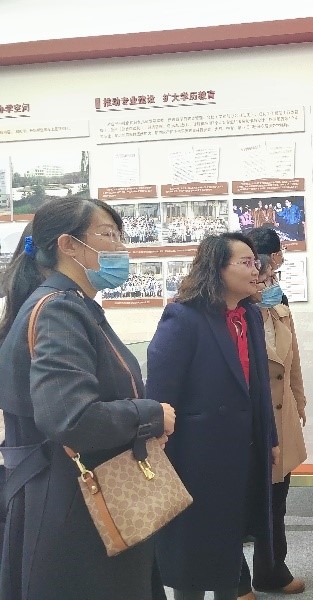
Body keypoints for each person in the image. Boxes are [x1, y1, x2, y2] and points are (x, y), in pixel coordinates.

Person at [0, 197, 174, 600]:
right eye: (108, 234)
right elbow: (71, 416)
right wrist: (150, 415)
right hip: (72, 504)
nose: (120, 247)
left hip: (80, 495)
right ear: (69, 245)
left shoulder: (71, 305)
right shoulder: (59, 310)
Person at [147, 233, 278, 600]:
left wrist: (269, 439)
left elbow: (259, 387)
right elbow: (161, 392)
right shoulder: (183, 316)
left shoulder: (249, 316)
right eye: (246, 263)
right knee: (192, 554)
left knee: (229, 544)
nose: (256, 270)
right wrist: (159, 451)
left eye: (256, 262)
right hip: (195, 456)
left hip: (242, 450)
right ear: (217, 268)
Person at [238, 226, 307, 598]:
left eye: (271, 276)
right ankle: (235, 579)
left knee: (276, 501)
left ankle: (271, 570)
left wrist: (300, 399)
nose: (267, 282)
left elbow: (292, 360)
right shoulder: (230, 312)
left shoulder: (279, 305)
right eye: (262, 276)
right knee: (238, 499)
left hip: (281, 416)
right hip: (245, 421)